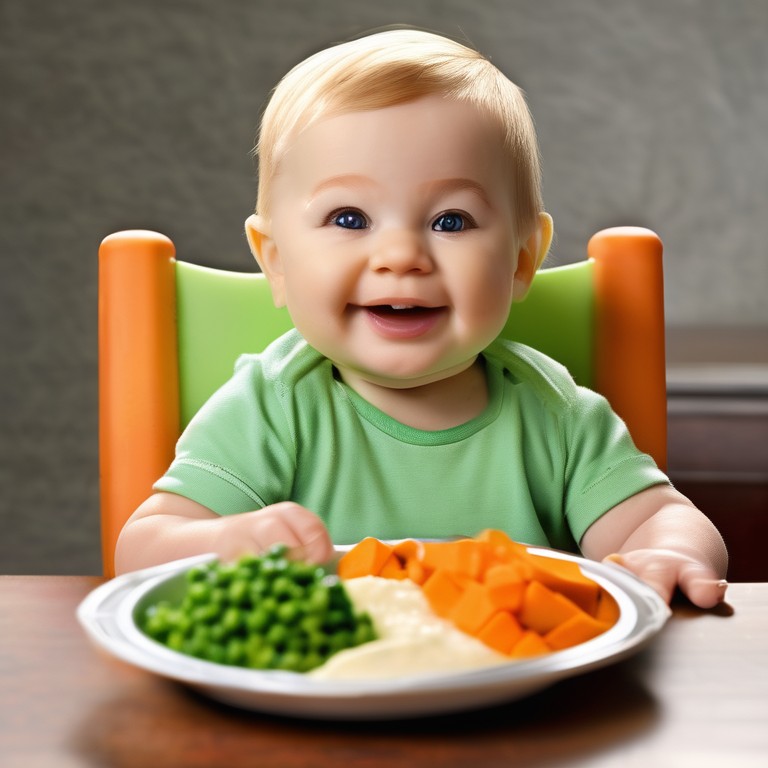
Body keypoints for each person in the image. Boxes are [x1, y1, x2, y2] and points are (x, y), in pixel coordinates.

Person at [115, 28, 728, 609]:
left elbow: (655, 517)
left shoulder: (555, 413)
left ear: (521, 261)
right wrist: (225, 543)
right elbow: (141, 550)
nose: (402, 257)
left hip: (518, 699)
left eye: (450, 221)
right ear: (276, 261)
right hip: (320, 695)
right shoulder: (271, 407)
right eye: (350, 218)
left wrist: (666, 553)